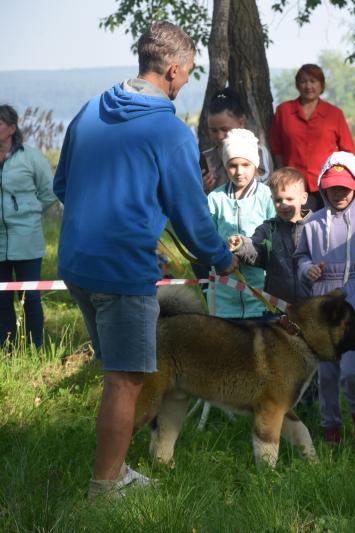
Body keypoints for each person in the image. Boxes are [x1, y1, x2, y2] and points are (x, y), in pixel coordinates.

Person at [53, 22, 237, 499]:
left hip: (75, 262)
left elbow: (62, 185)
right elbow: (193, 219)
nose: (185, 83)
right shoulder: (170, 131)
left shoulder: (91, 109)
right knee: (126, 380)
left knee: (117, 373)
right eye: (188, 74)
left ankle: (115, 470)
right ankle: (105, 487)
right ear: (172, 69)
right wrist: (221, 258)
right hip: (121, 271)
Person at [296, 151, 355, 449]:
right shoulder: (311, 224)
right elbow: (301, 257)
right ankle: (330, 429)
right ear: (323, 188)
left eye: (345, 188)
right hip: (323, 303)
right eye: (332, 188)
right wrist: (308, 270)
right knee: (327, 372)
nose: (339, 194)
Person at [0, 104, 59, 349]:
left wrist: (29, 212)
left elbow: (50, 192)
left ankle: (35, 347)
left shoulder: (31, 157)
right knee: (2, 299)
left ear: (12, 128)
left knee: (31, 297)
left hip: (27, 239)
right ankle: (7, 348)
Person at [207, 128, 275, 319]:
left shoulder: (268, 197)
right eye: (232, 165)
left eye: (245, 164)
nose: (239, 172)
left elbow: (275, 240)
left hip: (261, 296)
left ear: (255, 164)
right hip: (224, 297)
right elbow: (207, 239)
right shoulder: (215, 198)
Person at [270, 64, 355, 211]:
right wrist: (281, 177)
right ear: (297, 85)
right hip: (292, 186)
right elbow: (276, 149)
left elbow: (349, 152)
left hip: (328, 185)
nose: (308, 86)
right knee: (297, 224)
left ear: (321, 85)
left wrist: (344, 182)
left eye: (313, 81)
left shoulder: (334, 114)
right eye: (303, 81)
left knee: (327, 224)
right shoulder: (283, 111)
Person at [228, 166, 311, 305]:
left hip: (311, 304)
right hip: (278, 304)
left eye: (289, 199)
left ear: (304, 198)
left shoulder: (316, 226)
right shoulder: (268, 229)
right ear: (272, 199)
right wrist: (241, 244)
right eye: (278, 200)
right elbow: (255, 249)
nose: (283, 205)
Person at [201, 88, 273, 194]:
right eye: (214, 130)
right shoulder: (205, 158)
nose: (220, 136)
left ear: (241, 123)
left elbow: (265, 189)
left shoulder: (259, 153)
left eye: (225, 129)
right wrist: (201, 188)